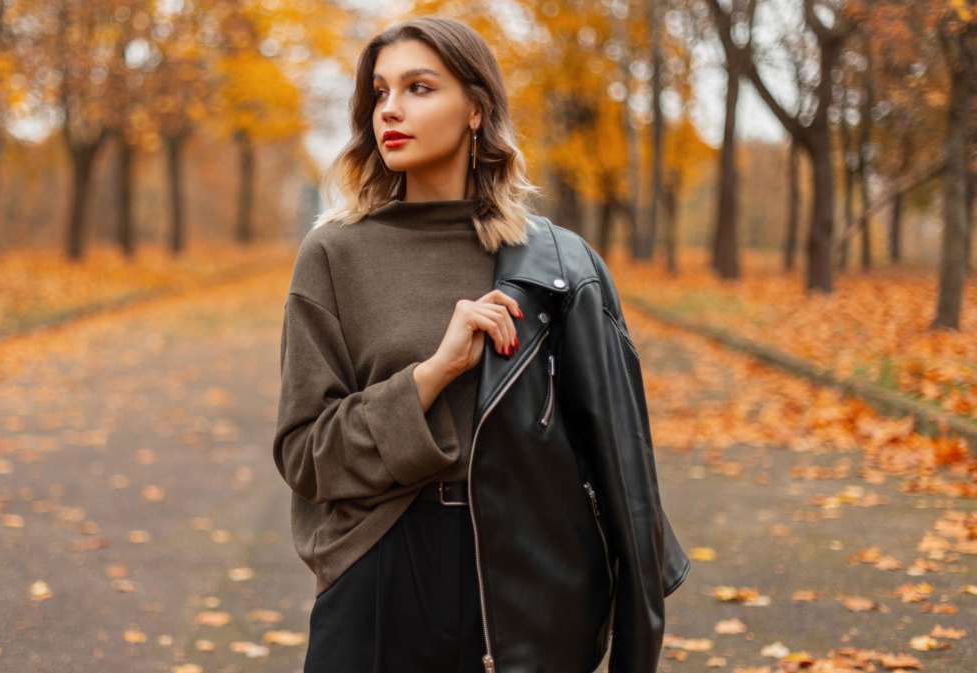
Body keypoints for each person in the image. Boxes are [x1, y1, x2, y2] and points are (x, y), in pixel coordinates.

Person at [272, 16, 688, 673]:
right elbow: (304, 453)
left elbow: (619, 462)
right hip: (378, 564)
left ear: (476, 109)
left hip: (525, 573)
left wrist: (632, 631)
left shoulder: (555, 263)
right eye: (379, 93)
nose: (392, 109)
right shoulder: (334, 253)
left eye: (418, 87)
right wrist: (431, 375)